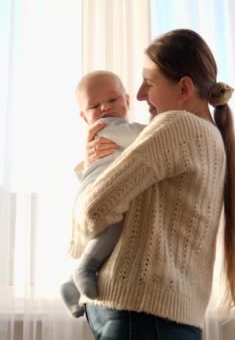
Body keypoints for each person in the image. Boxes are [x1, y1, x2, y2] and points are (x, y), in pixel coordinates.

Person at [70, 29, 235, 339]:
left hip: (137, 317)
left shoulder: (177, 126)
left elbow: (94, 209)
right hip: (162, 319)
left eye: (148, 83)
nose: (139, 95)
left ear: (183, 88)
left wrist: (92, 169)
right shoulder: (213, 139)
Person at [60, 71, 146, 318]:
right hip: (99, 189)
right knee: (114, 222)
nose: (106, 108)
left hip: (93, 189)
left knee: (107, 237)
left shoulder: (110, 130)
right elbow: (149, 137)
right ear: (84, 116)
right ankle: (86, 268)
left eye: (112, 99)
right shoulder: (110, 126)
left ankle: (71, 283)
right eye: (95, 105)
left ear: (127, 101)